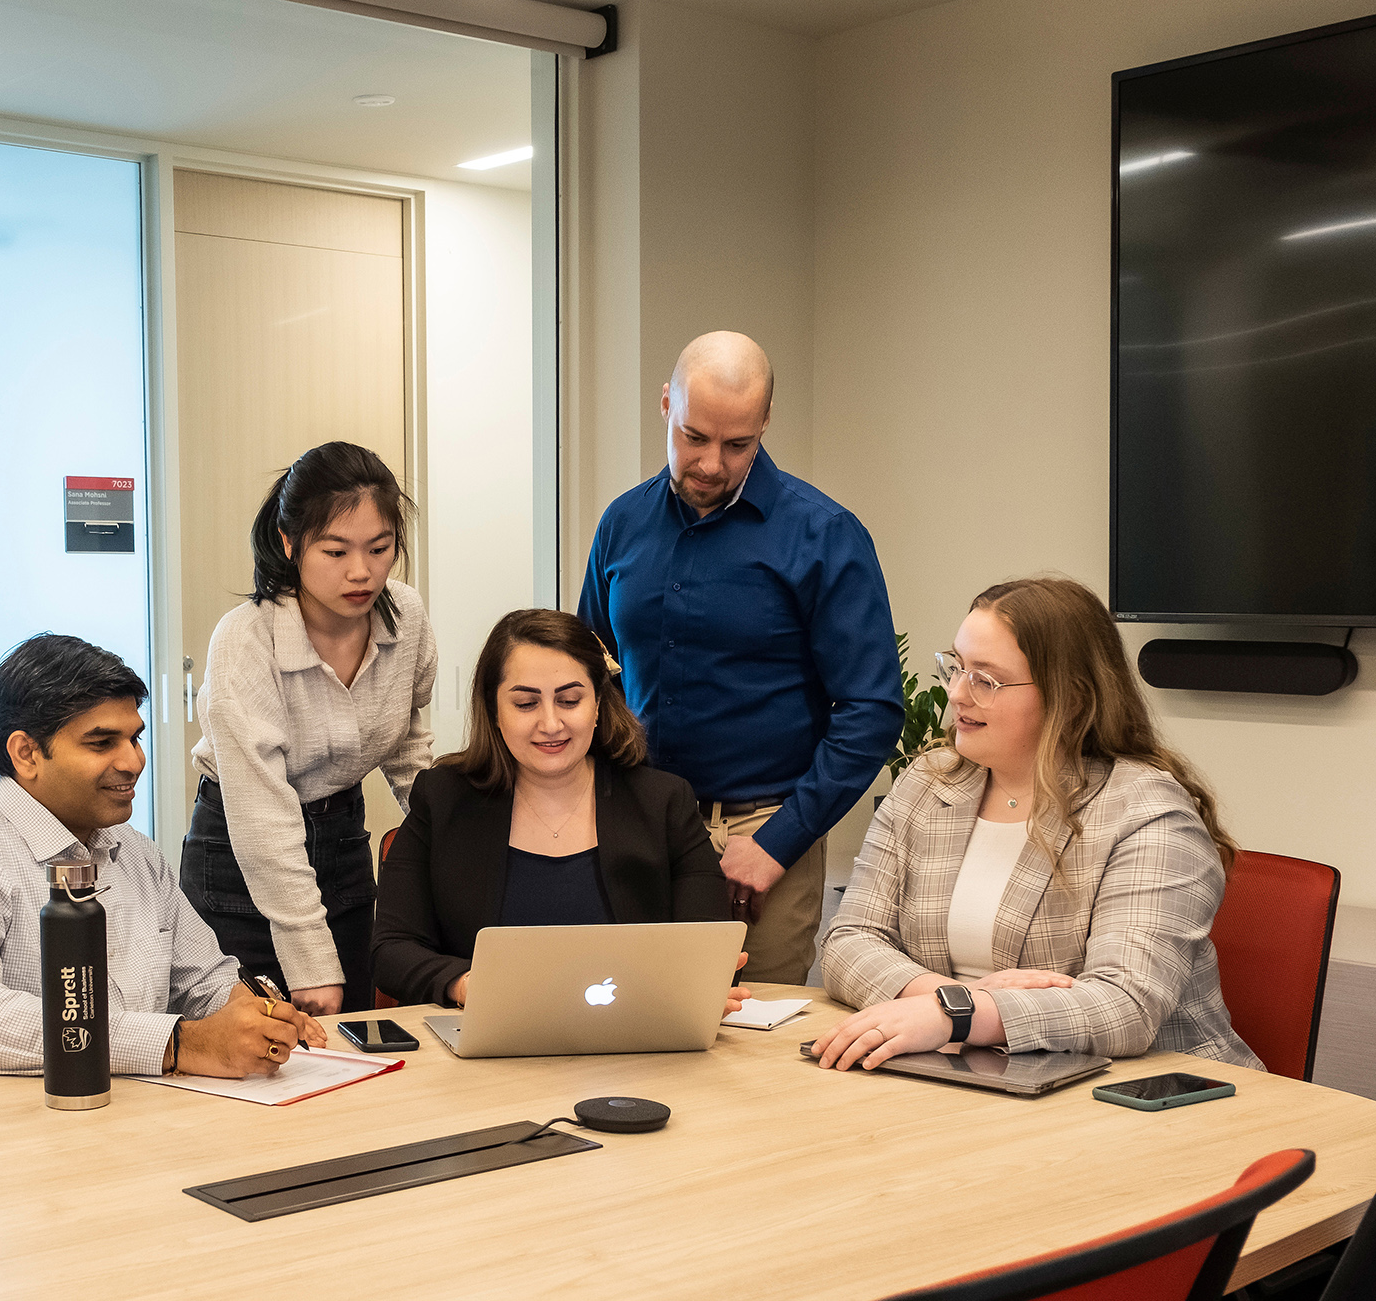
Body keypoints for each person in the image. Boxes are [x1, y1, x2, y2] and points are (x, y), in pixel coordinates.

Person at [811, 577, 1261, 1072]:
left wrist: (954, 1015)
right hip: (970, 1073)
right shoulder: (929, 782)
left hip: (1152, 1093)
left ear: (1069, 695)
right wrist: (952, 1001)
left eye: (986, 679)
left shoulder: (1146, 813)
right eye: (957, 667)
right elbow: (849, 939)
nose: (957, 694)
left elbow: (1126, 1007)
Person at [579, 331, 903, 986]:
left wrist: (777, 842)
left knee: (754, 1046)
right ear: (665, 403)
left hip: (762, 831)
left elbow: (870, 710)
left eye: (736, 444)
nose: (710, 463)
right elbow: (588, 670)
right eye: (692, 436)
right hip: (639, 821)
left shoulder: (823, 535)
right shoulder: (621, 523)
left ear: (764, 424)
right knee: (632, 1019)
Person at [0, 634, 323, 1079]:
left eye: (135, 738)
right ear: (26, 754)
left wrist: (257, 1014)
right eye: (102, 743)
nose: (133, 761)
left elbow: (204, 981)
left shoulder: (135, 852)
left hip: (101, 1106)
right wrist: (179, 1044)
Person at [373, 608, 748, 1017]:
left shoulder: (663, 802)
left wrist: (705, 982)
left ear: (599, 704)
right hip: (484, 1048)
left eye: (569, 700)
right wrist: (467, 986)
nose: (551, 723)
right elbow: (391, 950)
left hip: (637, 1047)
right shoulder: (442, 797)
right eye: (525, 703)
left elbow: (708, 946)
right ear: (494, 710)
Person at [185, 442, 437, 1018]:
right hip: (239, 851)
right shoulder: (246, 638)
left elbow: (405, 741)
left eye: (380, 548)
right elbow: (262, 815)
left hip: (342, 838)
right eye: (335, 550)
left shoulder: (407, 615)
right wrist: (309, 959)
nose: (361, 571)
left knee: (353, 1038)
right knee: (256, 1047)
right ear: (288, 541)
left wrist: (441, 827)